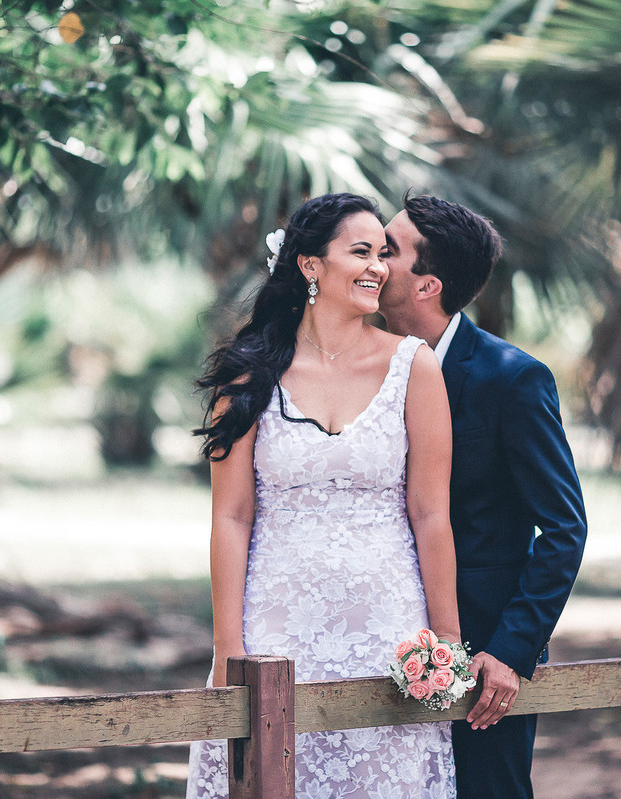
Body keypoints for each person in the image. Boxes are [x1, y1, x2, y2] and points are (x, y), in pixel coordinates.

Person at [186, 193, 462, 798]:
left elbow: (431, 515)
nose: (378, 267)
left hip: (388, 628)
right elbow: (231, 518)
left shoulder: (414, 367)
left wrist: (446, 647)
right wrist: (229, 648)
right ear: (310, 265)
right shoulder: (249, 373)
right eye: (359, 252)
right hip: (276, 628)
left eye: (383, 253)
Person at [379, 192, 588, 799]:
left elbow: (565, 527)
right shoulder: (361, 371)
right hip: (377, 633)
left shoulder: (512, 379)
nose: (371, 259)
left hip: (479, 657)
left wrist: (511, 649)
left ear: (426, 285)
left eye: (388, 250)